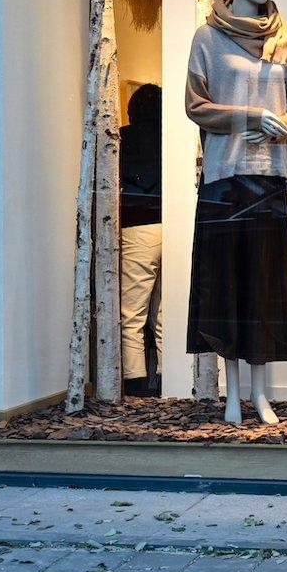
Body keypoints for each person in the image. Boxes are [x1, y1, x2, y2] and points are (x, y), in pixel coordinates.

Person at [119, 83, 163, 397]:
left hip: (136, 228)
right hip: (172, 226)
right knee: (165, 312)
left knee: (132, 314)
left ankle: (135, 384)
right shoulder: (173, 136)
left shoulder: (122, 139)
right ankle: (167, 379)